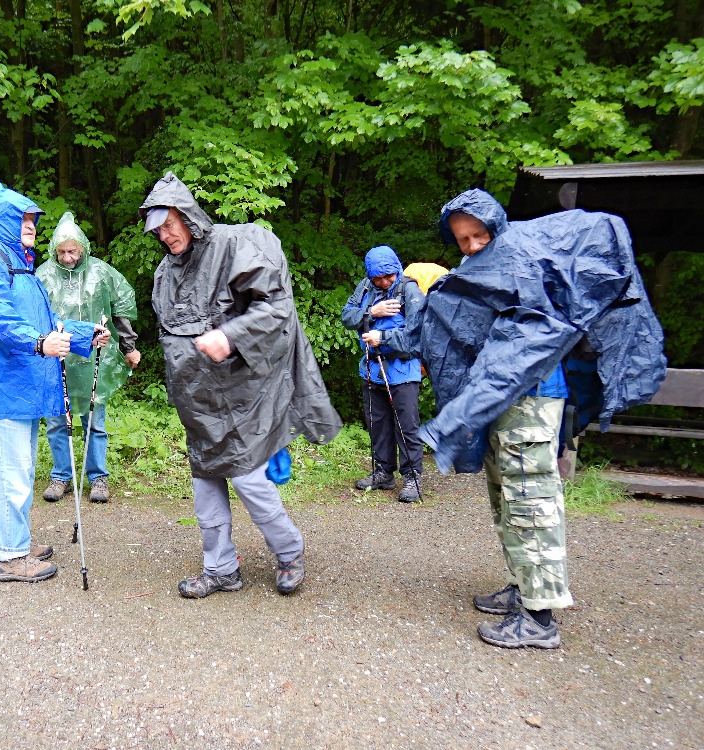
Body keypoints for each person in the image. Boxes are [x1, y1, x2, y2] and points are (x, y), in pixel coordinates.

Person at [369, 188, 666, 648]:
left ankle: (540, 618)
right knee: (506, 500)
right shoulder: (476, 274)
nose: (470, 245)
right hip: (499, 408)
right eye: (461, 238)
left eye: (477, 234)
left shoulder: (525, 267)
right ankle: (521, 587)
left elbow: (525, 342)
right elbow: (451, 334)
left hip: (530, 402)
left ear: (496, 225)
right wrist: (388, 341)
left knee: (530, 501)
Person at [140, 171, 342, 598]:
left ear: (188, 216)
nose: (165, 236)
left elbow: (277, 310)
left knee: (250, 482)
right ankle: (220, 569)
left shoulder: (236, 244)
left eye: (169, 225)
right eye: (157, 230)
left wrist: (229, 336)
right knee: (205, 483)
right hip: (198, 402)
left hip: (245, 397)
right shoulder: (165, 272)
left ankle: (289, 554)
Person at [0, 183, 108, 583]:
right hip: (1, 387)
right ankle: (8, 557)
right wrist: (39, 343)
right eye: (22, 218)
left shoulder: (21, 268)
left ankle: (14, 541)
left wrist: (85, 335)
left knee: (19, 470)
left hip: (21, 388)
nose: (31, 226)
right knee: (12, 474)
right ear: (3, 220)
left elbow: (47, 325)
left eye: (33, 219)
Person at [36, 212, 140, 504]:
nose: (68, 258)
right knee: (58, 419)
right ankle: (61, 476)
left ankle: (98, 478)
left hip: (97, 357)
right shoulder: (43, 275)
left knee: (94, 419)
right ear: (54, 251)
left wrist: (128, 346)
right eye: (62, 252)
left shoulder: (101, 272)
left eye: (72, 251)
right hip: (56, 359)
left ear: (82, 248)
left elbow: (123, 302)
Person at [342, 245, 425, 502]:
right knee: (377, 423)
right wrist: (371, 312)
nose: (384, 281)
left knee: (406, 425)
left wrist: (383, 337)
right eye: (378, 277)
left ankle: (412, 478)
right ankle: (383, 473)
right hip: (371, 369)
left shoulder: (409, 290)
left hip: (403, 369)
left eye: (389, 275)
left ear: (397, 268)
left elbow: (419, 333)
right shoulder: (365, 287)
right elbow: (347, 316)